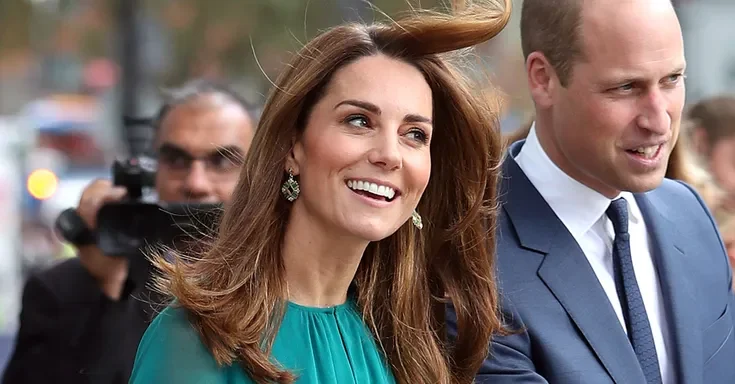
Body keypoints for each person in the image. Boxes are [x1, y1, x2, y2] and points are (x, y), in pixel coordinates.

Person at [129, 1, 511, 383]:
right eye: (359, 121)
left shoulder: (408, 346)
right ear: (293, 145)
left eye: (415, 134)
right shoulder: (195, 338)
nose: (390, 155)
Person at [464, 0, 735, 383]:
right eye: (626, 87)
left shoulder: (691, 215)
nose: (659, 120)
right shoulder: (467, 260)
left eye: (672, 79)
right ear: (543, 78)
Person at [1, 79, 257, 384]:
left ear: (259, 172)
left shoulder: (293, 284)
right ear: (153, 171)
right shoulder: (60, 292)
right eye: (176, 160)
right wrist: (108, 288)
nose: (196, 183)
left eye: (222, 161)